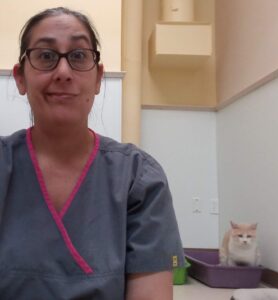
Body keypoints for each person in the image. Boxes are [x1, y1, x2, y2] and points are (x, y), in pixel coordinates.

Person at [0, 7, 184, 300]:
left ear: (98, 78)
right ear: (21, 78)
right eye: (46, 56)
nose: (63, 72)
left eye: (78, 56)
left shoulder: (138, 178)